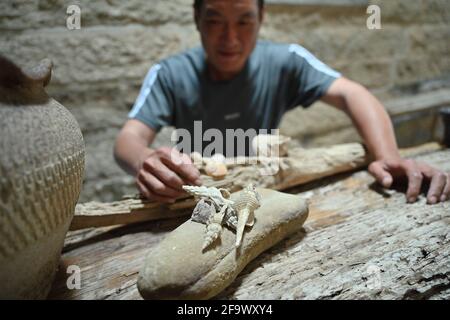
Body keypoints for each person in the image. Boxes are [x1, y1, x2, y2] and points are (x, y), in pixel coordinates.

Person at [114, 0, 449, 205]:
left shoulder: (285, 60)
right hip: (197, 195)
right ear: (196, 18)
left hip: (264, 191)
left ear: (261, 15)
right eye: (214, 20)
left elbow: (353, 94)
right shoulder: (170, 73)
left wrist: (389, 157)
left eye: (244, 20)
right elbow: (127, 141)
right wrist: (146, 160)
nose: (230, 38)